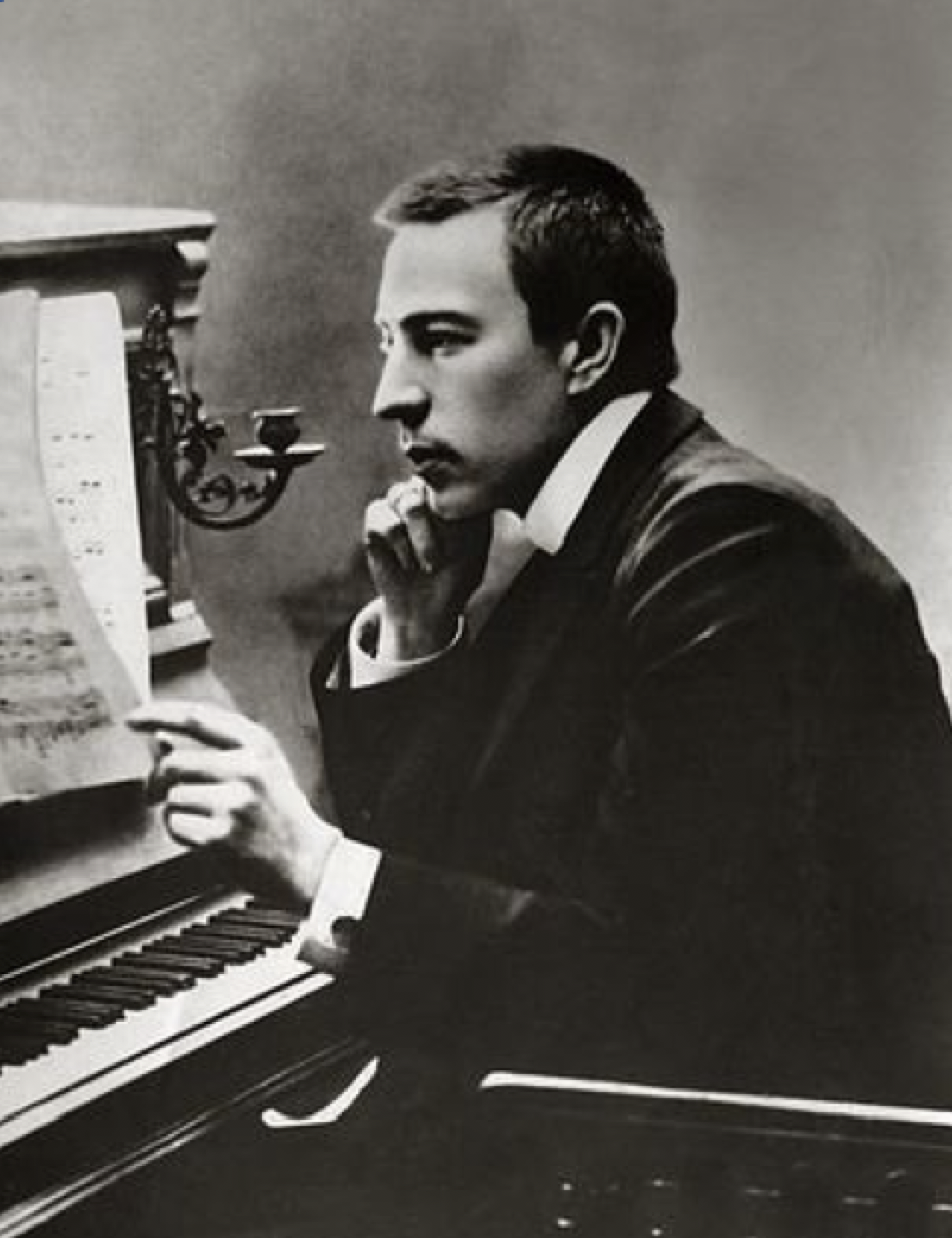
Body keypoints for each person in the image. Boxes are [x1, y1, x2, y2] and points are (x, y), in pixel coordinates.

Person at [130, 144, 952, 1116]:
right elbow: (480, 877)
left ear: (589, 348)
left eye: (440, 339)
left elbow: (662, 994)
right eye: (389, 341)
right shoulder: (608, 522)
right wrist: (417, 636)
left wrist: (313, 860)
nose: (390, 394)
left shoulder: (733, 543)